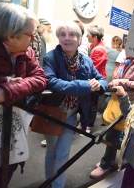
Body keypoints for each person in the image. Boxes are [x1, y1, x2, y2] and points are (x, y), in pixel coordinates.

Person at [0, 3, 47, 188]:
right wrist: (5, 80)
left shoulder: (27, 51)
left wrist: (9, 89)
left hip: (12, 116)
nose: (35, 38)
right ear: (11, 36)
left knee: (10, 162)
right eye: (31, 34)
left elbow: (40, 78)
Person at [42, 21, 107, 187]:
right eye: (62, 35)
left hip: (72, 113)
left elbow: (101, 79)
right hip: (53, 112)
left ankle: (58, 185)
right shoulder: (51, 58)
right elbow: (52, 82)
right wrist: (85, 86)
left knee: (63, 153)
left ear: (79, 39)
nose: (67, 38)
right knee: (52, 151)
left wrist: (100, 85)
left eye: (72, 35)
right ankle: (49, 181)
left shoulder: (86, 60)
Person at [90, 56, 134, 178]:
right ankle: (110, 160)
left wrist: (120, 82)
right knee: (113, 133)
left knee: (115, 134)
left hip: (129, 103)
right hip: (119, 100)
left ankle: (106, 164)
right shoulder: (126, 60)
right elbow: (119, 76)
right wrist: (115, 80)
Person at [86, 25, 108, 133]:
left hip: (96, 79)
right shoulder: (92, 46)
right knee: (88, 102)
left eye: (88, 34)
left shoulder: (99, 49)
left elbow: (93, 67)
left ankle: (89, 125)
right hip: (91, 78)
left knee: (92, 103)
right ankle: (85, 123)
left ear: (95, 37)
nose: (86, 36)